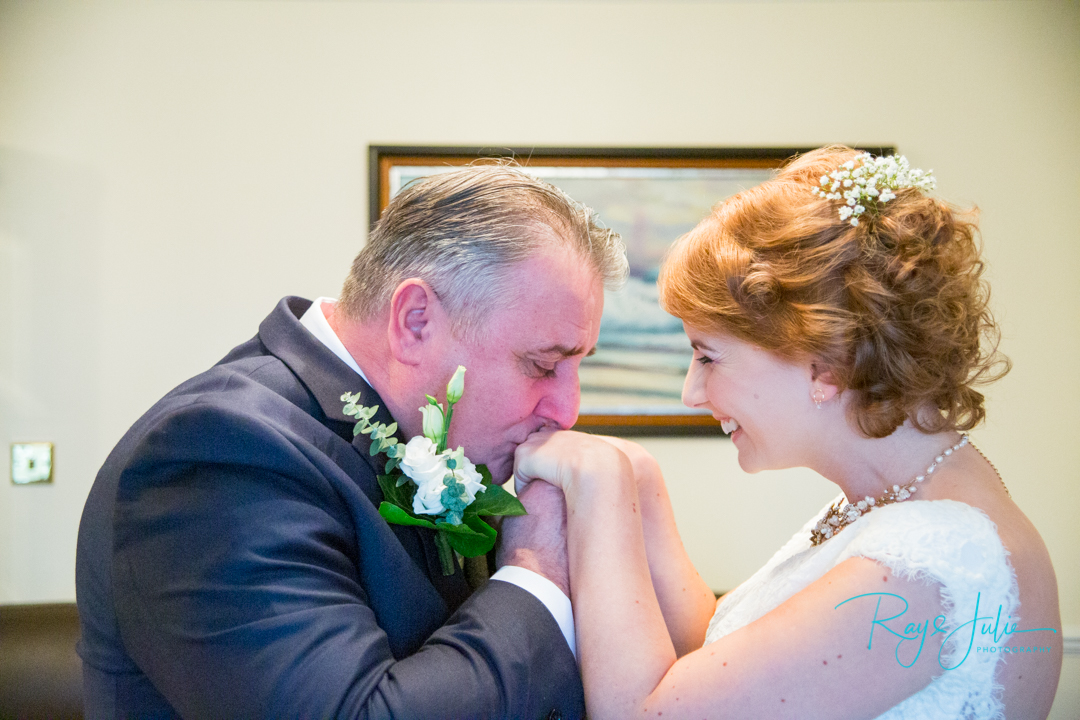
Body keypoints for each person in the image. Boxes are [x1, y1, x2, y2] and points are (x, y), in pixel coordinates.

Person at [511, 146, 1063, 719]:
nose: (691, 393)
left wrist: (599, 490)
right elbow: (728, 666)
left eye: (708, 357)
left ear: (824, 365)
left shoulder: (927, 563)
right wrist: (641, 484)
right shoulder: (887, 510)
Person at [75, 164, 627, 718]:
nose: (568, 410)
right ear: (414, 321)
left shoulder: (425, 436)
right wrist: (538, 572)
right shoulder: (218, 452)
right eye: (541, 364)